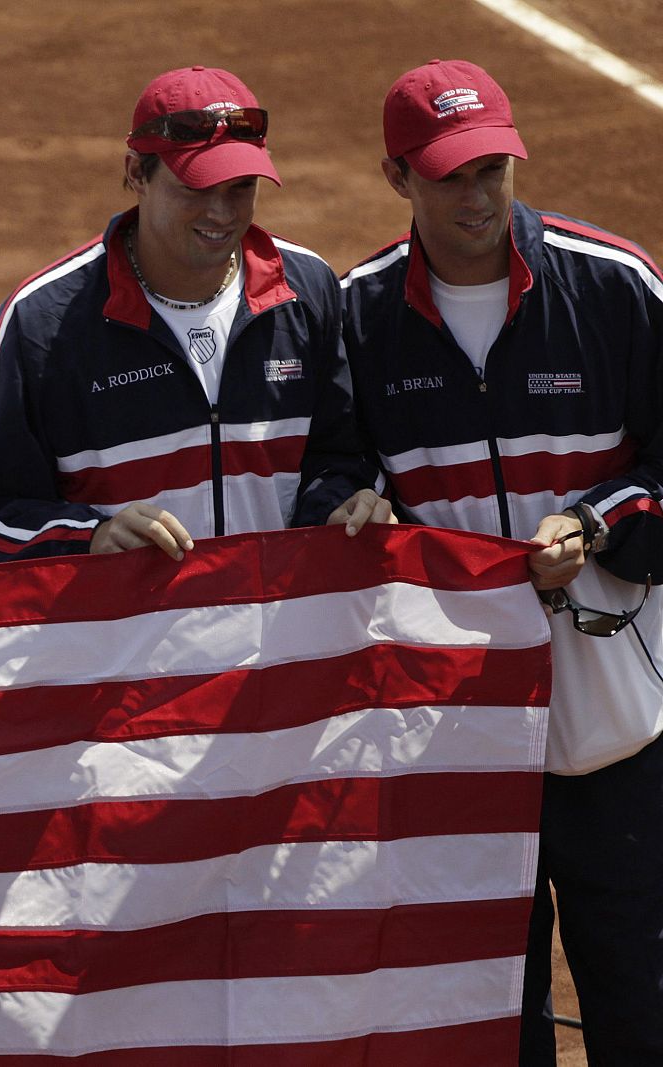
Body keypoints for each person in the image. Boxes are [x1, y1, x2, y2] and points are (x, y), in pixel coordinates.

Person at [341, 59, 663, 1065]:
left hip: (621, 725)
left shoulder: (614, 284)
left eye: (491, 167)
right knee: (486, 1017)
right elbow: (329, 482)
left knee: (642, 1004)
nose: (475, 195)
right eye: (447, 175)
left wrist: (598, 522)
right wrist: (355, 508)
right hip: (457, 739)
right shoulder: (355, 318)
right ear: (397, 177)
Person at [0, 66, 384, 565]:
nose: (222, 214)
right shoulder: (43, 324)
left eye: (241, 186)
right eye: (197, 188)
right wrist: (91, 536)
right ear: (137, 174)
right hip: (126, 637)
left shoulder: (306, 291)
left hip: (276, 629)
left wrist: (337, 506)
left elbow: (340, 456)